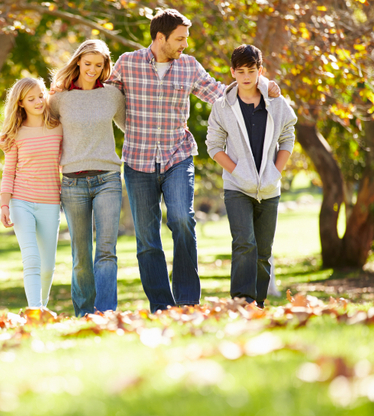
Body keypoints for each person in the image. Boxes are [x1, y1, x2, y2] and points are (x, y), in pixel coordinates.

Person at [107, 9, 281, 311]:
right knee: (147, 239)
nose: (185, 44)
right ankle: (161, 305)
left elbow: (220, 93)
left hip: (178, 156)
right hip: (137, 161)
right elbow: (104, 98)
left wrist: (264, 87)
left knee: (182, 220)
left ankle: (187, 301)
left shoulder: (188, 66)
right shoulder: (128, 63)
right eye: (180, 39)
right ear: (160, 38)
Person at [206, 44, 297, 308]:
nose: (246, 77)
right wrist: (237, 172)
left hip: (269, 188)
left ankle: (258, 303)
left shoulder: (276, 102)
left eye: (252, 71)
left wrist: (275, 172)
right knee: (244, 242)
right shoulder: (222, 107)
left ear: (260, 70)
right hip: (236, 188)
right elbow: (213, 146)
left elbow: (287, 137)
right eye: (241, 71)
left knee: (263, 251)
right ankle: (242, 300)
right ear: (232, 71)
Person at [49, 39, 126, 317]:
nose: (93, 69)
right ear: (78, 61)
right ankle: (83, 313)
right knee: (81, 256)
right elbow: (45, 131)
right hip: (72, 183)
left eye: (99, 65)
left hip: (108, 179)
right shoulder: (59, 99)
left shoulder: (112, 96)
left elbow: (134, 126)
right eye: (88, 63)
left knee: (106, 251)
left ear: (106, 66)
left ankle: (106, 313)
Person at [0, 77, 63, 309]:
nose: (38, 101)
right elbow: (8, 171)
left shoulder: (58, 127)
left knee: (47, 267)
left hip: (51, 202)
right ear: (21, 103)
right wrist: (5, 205)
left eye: (41, 95)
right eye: (31, 98)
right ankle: (34, 311)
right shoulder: (15, 134)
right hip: (21, 201)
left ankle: (41, 308)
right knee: (32, 260)